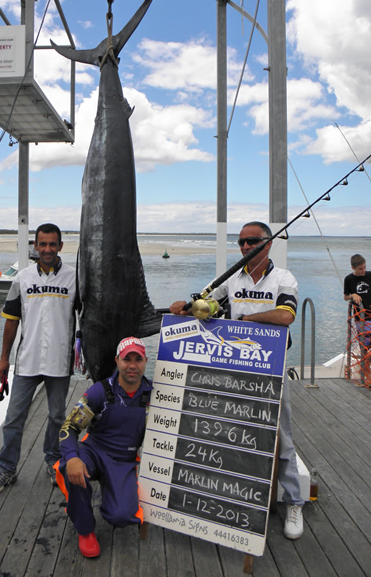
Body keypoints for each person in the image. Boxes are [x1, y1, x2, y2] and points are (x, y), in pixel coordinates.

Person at [170, 221, 304, 540]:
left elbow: (286, 315)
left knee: (280, 437)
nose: (244, 247)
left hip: (272, 372)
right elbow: (206, 306)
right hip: (233, 371)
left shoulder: (284, 278)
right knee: (229, 433)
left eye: (251, 241)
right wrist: (185, 309)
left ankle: (294, 502)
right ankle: (231, 496)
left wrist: (246, 319)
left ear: (267, 244)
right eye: (241, 242)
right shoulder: (232, 279)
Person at [0, 223, 76, 495]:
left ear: (60, 246)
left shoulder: (75, 278)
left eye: (52, 244)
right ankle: (6, 469)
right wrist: (3, 359)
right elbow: (11, 321)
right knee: (13, 418)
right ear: (35, 246)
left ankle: (53, 461)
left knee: (58, 417)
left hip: (60, 361)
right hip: (27, 361)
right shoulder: (21, 278)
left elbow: (90, 317)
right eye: (42, 244)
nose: (47, 249)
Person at [54, 336, 153, 558]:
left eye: (138, 359)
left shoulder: (152, 397)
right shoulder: (100, 391)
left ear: (146, 361)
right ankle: (85, 529)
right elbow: (69, 426)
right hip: (94, 451)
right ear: (117, 361)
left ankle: (112, 497)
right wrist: (71, 457)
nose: (132, 365)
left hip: (124, 461)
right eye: (127, 359)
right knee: (72, 468)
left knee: (121, 516)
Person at [343, 254, 371, 347]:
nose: (363, 270)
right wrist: (353, 295)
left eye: (364, 267)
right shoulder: (348, 279)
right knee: (365, 345)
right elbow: (346, 297)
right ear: (353, 267)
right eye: (360, 269)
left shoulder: (369, 275)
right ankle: (366, 361)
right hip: (361, 317)